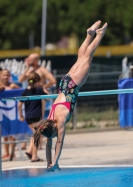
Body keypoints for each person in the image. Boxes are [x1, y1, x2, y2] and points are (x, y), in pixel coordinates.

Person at [33, 20, 108, 171]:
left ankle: (98, 35)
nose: (54, 137)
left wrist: (56, 162)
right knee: (80, 59)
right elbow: (49, 143)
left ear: (53, 129)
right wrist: (50, 163)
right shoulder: (49, 119)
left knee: (87, 58)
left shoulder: (59, 122)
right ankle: (89, 35)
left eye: (53, 135)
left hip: (73, 86)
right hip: (65, 84)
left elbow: (59, 142)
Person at [18, 72, 47, 162]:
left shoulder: (25, 91)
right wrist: (44, 88)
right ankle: (34, 156)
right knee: (37, 136)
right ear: (38, 81)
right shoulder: (39, 91)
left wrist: (21, 115)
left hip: (28, 117)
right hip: (36, 116)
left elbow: (19, 105)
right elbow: (48, 97)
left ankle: (30, 151)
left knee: (35, 134)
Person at [0, 69, 20, 159]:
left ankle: (12, 153)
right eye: (4, 75)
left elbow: (22, 92)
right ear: (0, 76)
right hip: (2, 112)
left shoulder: (13, 85)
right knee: (4, 134)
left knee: (12, 133)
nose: (6, 77)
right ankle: (6, 153)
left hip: (12, 112)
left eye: (7, 75)